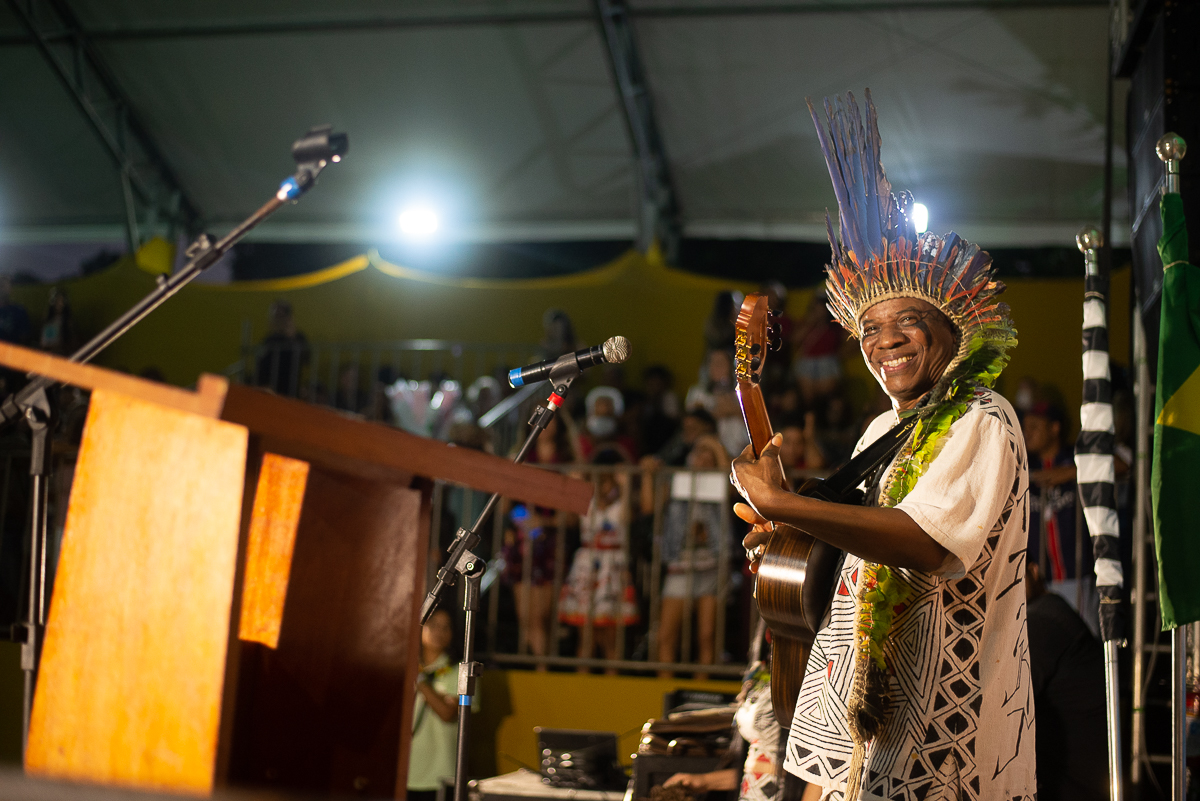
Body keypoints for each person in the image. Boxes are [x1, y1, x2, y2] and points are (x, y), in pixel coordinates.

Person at [732, 91, 1033, 800]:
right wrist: (787, 533)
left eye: (908, 320)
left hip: (943, 734)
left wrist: (786, 502)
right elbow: (849, 555)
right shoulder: (879, 435)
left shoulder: (982, 419)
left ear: (953, 331)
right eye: (870, 328)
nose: (885, 338)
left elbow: (925, 542)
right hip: (863, 724)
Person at [642, 434, 731, 676]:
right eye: (698, 453)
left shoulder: (721, 481)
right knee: (667, 634)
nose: (702, 458)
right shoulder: (676, 480)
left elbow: (727, 468)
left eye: (708, 455)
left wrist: (710, 442)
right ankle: (664, 685)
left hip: (711, 564)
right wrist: (650, 475)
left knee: (707, 634)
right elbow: (650, 507)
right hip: (681, 564)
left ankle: (702, 689)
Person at [1024, 563, 1107, 801]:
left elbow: (999, 701)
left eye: (1014, 572)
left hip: (1070, 788)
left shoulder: (1041, 620)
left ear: (1034, 571)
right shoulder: (1054, 611)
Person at [558, 452, 639, 670]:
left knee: (610, 637)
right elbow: (568, 520)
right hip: (587, 565)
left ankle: (612, 684)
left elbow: (628, 518)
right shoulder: (587, 499)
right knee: (586, 636)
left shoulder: (622, 499)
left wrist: (626, 485)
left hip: (613, 566)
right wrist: (572, 487)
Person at [1023, 400, 1096, 633]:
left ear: (1054, 428)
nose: (1027, 433)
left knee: (1082, 638)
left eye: (1035, 426)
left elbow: (1122, 464)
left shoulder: (1075, 458)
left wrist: (1073, 472)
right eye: (1025, 427)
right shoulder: (1023, 464)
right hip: (1039, 582)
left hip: (1077, 578)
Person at [664, 662, 784, 801]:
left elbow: (750, 776)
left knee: (749, 721)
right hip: (781, 745)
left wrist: (704, 781)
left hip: (766, 737)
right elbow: (795, 772)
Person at [407, 607, 472, 801]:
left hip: (441, 775)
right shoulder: (405, 665)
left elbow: (447, 713)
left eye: (446, 627)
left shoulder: (460, 672)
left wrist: (419, 681)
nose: (439, 633)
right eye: (433, 625)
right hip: (406, 771)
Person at [255, 299, 309, 396]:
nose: (277, 320)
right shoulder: (269, 339)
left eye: (281, 316)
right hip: (270, 389)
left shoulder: (298, 337)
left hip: (291, 388)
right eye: (275, 316)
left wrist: (292, 337)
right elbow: (262, 364)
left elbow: (307, 359)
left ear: (288, 317)